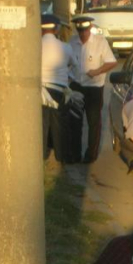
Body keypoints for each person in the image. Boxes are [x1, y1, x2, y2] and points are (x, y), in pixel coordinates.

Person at [68, 15, 117, 164]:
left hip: (94, 87)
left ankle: (91, 155)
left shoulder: (100, 42)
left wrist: (97, 71)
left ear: (90, 28)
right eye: (80, 31)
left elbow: (112, 62)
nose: (83, 34)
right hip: (76, 86)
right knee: (75, 122)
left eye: (85, 30)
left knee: (94, 122)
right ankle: (75, 154)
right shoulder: (72, 42)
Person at [40, 13, 75, 163]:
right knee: (59, 125)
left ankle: (40, 155)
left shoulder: (34, 45)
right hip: (59, 89)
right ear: (56, 30)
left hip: (39, 90)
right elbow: (75, 66)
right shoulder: (65, 47)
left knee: (41, 124)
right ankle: (62, 156)